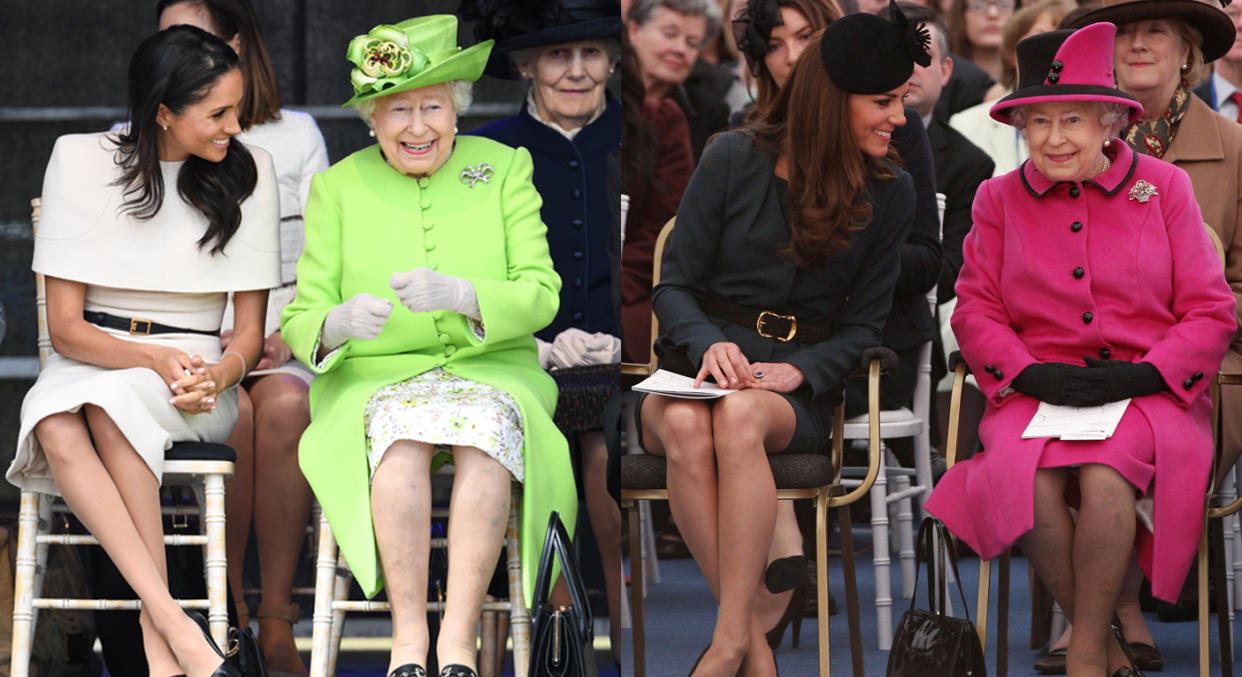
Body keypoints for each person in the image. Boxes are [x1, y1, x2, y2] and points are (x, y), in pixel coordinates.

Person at [924, 22, 1236, 677]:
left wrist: (1150, 370)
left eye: (1072, 119)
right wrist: (1027, 370)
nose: (1055, 138)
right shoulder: (997, 199)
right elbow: (976, 306)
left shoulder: (1165, 190)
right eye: (1038, 122)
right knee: (1027, 480)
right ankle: (1101, 638)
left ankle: (1087, 645)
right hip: (1036, 394)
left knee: (1104, 476)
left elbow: (1210, 310)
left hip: (1150, 393)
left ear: (1110, 122)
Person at [279, 15, 575, 677]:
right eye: (400, 110)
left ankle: (458, 643)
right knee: (399, 442)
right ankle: (409, 639)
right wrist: (336, 324)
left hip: (493, 368)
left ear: (457, 110)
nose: (418, 126)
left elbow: (541, 291)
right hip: (375, 379)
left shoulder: (503, 168)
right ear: (372, 120)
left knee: (488, 435)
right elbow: (302, 315)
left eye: (433, 107)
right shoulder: (337, 187)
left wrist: (469, 297)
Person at [636, 6, 926, 673]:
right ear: (833, 101)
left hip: (792, 383)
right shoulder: (731, 156)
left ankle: (732, 639)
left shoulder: (892, 192)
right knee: (683, 423)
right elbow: (673, 285)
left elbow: (865, 325)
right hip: (692, 367)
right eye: (883, 102)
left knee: (736, 415)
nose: (899, 118)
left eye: (900, 101)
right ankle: (751, 640)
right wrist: (708, 343)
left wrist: (803, 372)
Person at [10, 25, 280, 677]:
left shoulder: (252, 172)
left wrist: (217, 374)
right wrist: (149, 358)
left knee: (98, 408)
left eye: (236, 109)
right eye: (217, 113)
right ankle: (170, 626)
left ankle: (159, 631)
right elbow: (67, 329)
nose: (235, 127)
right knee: (55, 414)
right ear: (162, 111)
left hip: (196, 376)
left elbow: (246, 336)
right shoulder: (79, 160)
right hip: (93, 356)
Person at [155, 2, 328, 672]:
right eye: (168, 38)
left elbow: (326, 252)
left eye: (195, 36)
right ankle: (235, 621)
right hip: (188, 345)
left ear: (237, 44)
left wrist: (287, 329)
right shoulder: (140, 136)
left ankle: (279, 617)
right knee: (240, 414)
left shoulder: (295, 134)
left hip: (283, 334)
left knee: (282, 405)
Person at [459, 0, 624, 661]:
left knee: (608, 439)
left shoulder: (639, 134)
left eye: (592, 53)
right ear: (527, 64)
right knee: (540, 426)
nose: (578, 70)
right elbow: (466, 268)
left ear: (614, 59)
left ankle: (621, 631)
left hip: (622, 356)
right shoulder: (487, 151)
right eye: (560, 54)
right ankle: (554, 630)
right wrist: (526, 340)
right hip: (520, 352)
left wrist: (627, 340)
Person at [627, 0, 730, 160]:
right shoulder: (604, 96)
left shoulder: (710, 114)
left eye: (692, 43)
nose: (680, 49)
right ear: (634, 31)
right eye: (670, 34)